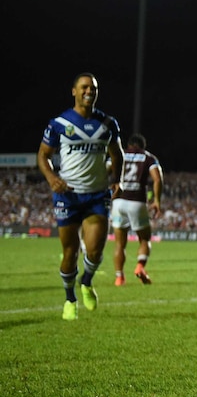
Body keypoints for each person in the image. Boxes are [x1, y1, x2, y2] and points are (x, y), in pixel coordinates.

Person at [37, 72, 124, 321]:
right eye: (84, 87)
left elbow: (117, 154)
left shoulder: (108, 123)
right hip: (69, 196)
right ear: (74, 91)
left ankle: (86, 282)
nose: (89, 91)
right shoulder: (59, 123)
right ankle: (69, 298)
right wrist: (52, 178)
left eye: (94, 88)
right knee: (70, 252)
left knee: (95, 251)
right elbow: (42, 155)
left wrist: (117, 180)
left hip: (97, 195)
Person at [111, 133, 163, 285]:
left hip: (118, 201)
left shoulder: (119, 154)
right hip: (137, 202)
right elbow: (157, 178)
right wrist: (157, 200)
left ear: (128, 145)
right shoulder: (148, 157)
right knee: (144, 239)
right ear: (142, 146)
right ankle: (140, 267)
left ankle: (119, 277)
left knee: (120, 243)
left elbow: (105, 169)